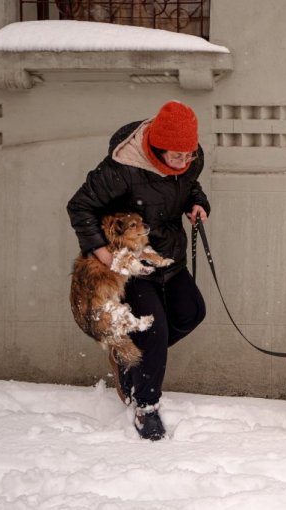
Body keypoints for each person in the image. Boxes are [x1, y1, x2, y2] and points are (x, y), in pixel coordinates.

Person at [67, 101, 210, 441]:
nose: (185, 161)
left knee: (192, 313)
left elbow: (189, 185)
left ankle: (131, 356)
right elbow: (79, 206)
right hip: (130, 264)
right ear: (157, 148)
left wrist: (197, 203)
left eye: (189, 155)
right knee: (153, 330)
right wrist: (103, 254)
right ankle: (145, 406)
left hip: (167, 255)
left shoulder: (189, 158)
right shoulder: (122, 168)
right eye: (177, 156)